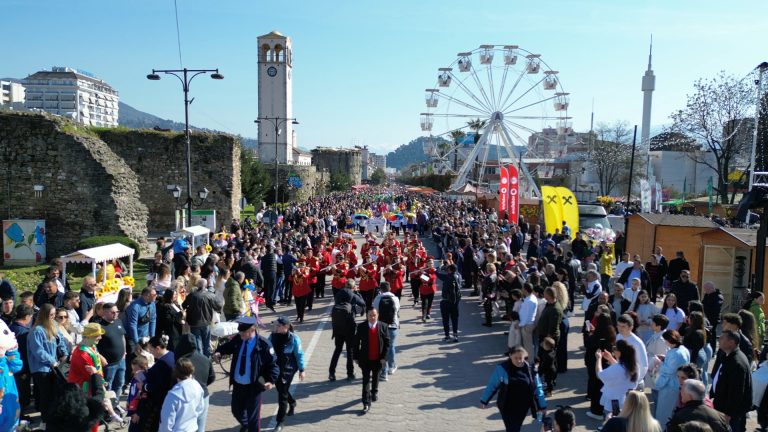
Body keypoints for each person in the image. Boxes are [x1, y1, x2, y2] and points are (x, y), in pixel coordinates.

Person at [213, 316, 279, 432]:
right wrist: (219, 352)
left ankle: (250, 427)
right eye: (240, 332)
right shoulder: (239, 339)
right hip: (238, 384)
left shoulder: (264, 345)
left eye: (243, 332)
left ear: (252, 330)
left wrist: (270, 380)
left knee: (253, 419)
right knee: (236, 410)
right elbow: (227, 347)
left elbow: (273, 365)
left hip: (253, 386)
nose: (241, 335)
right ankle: (246, 425)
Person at [480, 346, 547, 432]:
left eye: (521, 358)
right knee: (512, 428)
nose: (519, 361)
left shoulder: (531, 370)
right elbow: (492, 385)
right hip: (506, 406)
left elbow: (538, 388)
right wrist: (484, 400)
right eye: (516, 358)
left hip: (523, 407)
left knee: (515, 427)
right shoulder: (501, 368)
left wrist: (542, 405)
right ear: (510, 355)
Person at [27, 303, 68, 427]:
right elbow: (38, 351)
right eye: (51, 315)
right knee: (46, 394)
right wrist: (52, 361)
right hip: (41, 368)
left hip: (53, 367)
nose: (53, 317)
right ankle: (45, 420)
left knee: (54, 393)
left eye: (54, 314)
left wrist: (64, 353)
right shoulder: (36, 331)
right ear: (44, 315)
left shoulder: (54, 325)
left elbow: (60, 339)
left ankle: (53, 418)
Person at [709, 329, 753, 432]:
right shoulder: (729, 356)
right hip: (723, 407)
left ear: (732, 342)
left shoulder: (737, 362)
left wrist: (728, 414)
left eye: (722, 338)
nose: (718, 340)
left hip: (729, 413)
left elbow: (736, 392)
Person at [268, 316, 306, 432]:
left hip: (288, 369)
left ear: (286, 327)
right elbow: (267, 350)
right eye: (275, 325)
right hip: (276, 368)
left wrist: (302, 370)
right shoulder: (272, 336)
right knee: (281, 390)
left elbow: (299, 355)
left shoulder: (294, 338)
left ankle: (280, 422)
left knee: (282, 395)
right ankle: (292, 402)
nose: (275, 327)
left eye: (278, 326)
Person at [174, 333, 215, 432]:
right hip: (203, 396)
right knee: (200, 427)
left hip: (186, 398)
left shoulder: (180, 362)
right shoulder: (205, 359)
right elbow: (212, 378)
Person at [133, 334, 175, 431]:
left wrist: (144, 387)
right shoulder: (171, 354)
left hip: (159, 402)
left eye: (151, 350)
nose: (150, 353)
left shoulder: (163, 363)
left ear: (158, 348)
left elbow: (159, 386)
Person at [353, 308, 390, 414]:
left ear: (378, 315)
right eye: (370, 315)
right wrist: (355, 357)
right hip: (365, 359)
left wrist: (384, 358)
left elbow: (387, 343)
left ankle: (374, 392)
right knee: (365, 381)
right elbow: (356, 343)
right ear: (367, 316)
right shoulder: (361, 327)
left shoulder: (383, 326)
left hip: (378, 360)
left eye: (374, 315)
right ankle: (365, 403)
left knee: (376, 377)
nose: (372, 317)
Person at [329, 280, 365, 382]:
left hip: (338, 327)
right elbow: (362, 303)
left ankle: (332, 372)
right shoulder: (353, 294)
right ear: (353, 287)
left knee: (337, 350)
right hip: (349, 326)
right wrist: (357, 293)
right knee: (350, 350)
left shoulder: (339, 293)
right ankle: (350, 373)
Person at [595, 340, 639, 420]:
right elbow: (620, 370)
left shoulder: (617, 368)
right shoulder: (634, 366)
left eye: (614, 348)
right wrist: (611, 358)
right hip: (628, 402)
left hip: (613, 405)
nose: (613, 350)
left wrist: (598, 359)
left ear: (619, 352)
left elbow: (599, 375)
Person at [655, 330, 691, 429]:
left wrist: (660, 362)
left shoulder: (676, 353)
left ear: (670, 340)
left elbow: (668, 370)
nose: (664, 342)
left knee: (664, 413)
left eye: (665, 340)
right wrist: (665, 359)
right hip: (677, 384)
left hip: (670, 386)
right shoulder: (683, 349)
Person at [159, 358, 205, 432]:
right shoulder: (198, 387)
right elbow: (200, 409)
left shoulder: (173, 395)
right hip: (192, 428)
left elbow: (166, 421)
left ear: (175, 372)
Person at [96, 302, 127, 409]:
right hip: (109, 364)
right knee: (108, 386)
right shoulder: (99, 326)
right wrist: (100, 357)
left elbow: (122, 337)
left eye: (117, 312)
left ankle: (115, 405)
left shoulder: (118, 322)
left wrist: (124, 352)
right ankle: (107, 409)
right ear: (105, 313)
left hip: (121, 361)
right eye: (113, 312)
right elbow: (93, 345)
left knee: (119, 384)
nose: (116, 314)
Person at [182, 279, 222, 358]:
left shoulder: (192, 295)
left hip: (194, 323)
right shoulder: (210, 295)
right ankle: (207, 362)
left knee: (198, 346)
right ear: (206, 285)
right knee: (206, 345)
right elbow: (218, 306)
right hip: (206, 322)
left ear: (197, 285)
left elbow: (184, 305)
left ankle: (200, 363)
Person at [372, 281, 400, 379]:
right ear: (390, 289)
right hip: (393, 326)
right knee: (391, 346)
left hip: (381, 326)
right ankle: (392, 367)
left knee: (382, 349)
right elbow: (397, 310)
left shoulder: (377, 299)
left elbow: (375, 311)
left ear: (381, 289)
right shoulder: (395, 298)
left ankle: (384, 372)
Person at [615, 314, 648, 386]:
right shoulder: (618, 336)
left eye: (623, 326)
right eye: (618, 325)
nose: (620, 328)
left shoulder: (637, 342)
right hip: (622, 378)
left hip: (633, 381)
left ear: (631, 327)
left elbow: (644, 365)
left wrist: (635, 381)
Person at [124, 287, 157, 355]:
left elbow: (153, 320)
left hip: (145, 336)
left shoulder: (152, 304)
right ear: (147, 296)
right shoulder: (135, 306)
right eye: (154, 295)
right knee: (134, 359)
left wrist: (152, 337)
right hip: (133, 338)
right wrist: (136, 342)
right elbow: (132, 325)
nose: (156, 296)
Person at [436, 263, 463, 343]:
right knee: (455, 319)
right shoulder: (459, 276)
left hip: (446, 301)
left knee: (445, 319)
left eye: (448, 269)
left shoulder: (447, 277)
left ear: (450, 270)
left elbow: (438, 274)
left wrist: (438, 267)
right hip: (456, 301)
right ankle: (455, 335)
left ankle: (447, 336)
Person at [701, 281, 723, 352]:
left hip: (713, 319)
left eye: (706, 289)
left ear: (710, 288)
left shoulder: (718, 296)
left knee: (712, 334)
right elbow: (703, 303)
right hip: (706, 317)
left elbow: (716, 308)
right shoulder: (707, 295)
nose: (705, 291)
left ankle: (713, 350)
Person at [519, 283, 538, 357]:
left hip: (526, 325)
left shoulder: (530, 301)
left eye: (523, 288)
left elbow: (527, 316)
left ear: (526, 290)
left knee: (528, 346)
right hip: (526, 324)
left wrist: (520, 325)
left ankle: (530, 362)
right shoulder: (529, 298)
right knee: (526, 344)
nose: (521, 290)